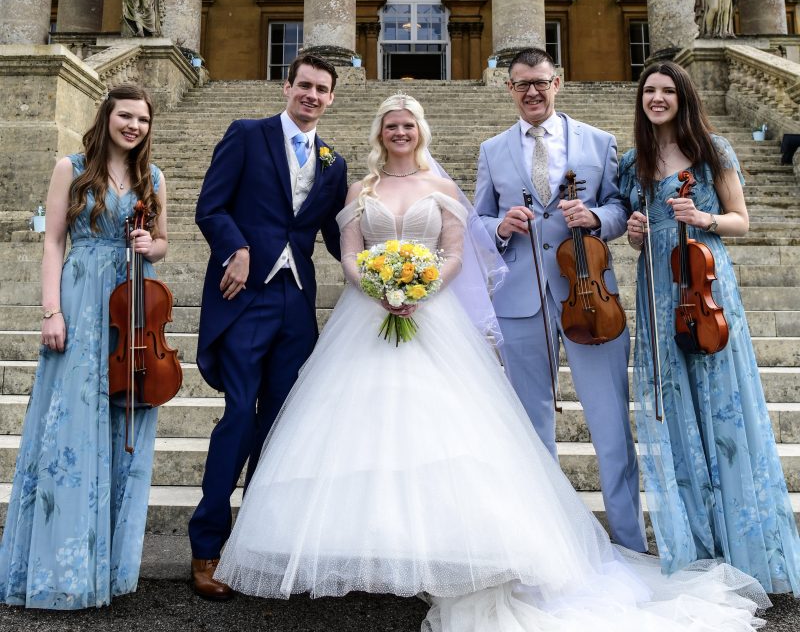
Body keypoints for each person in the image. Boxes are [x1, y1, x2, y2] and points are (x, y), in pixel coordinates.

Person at [214, 93, 768, 632]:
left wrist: (421, 288)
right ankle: (370, 550)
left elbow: (458, 251)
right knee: (360, 431)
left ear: (420, 131)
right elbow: (352, 252)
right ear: (380, 133)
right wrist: (380, 287)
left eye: (408, 125)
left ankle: (583, 541)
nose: (400, 133)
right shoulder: (360, 189)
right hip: (368, 315)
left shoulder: (443, 186)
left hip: (448, 308)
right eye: (391, 126)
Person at [620, 60, 800, 595]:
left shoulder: (712, 150)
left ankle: (746, 548)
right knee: (675, 410)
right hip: (658, 291)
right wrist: (634, 232)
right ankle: (696, 546)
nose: (657, 98)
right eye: (649, 90)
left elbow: (740, 219)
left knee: (724, 408)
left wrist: (704, 219)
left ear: (683, 97)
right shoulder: (633, 161)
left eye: (667, 91)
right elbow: (636, 234)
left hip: (706, 288)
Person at [0, 84, 168, 609]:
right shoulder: (70, 168)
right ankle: (61, 567)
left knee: (124, 424)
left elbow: (163, 244)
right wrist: (51, 311)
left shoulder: (153, 177)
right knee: (69, 426)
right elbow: (54, 241)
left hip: (132, 309)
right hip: (80, 298)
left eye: (142, 119)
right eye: (125, 116)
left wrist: (151, 244)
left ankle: (109, 567)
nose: (134, 126)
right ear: (107, 117)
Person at [188, 53, 348, 599]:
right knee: (239, 416)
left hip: (296, 304)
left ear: (331, 97)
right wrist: (235, 248)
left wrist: (381, 263)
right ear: (287, 86)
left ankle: (254, 545)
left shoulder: (334, 163)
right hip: (245, 297)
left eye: (321, 89)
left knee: (279, 427)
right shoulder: (246, 134)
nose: (311, 95)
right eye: (304, 85)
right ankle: (207, 546)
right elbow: (210, 207)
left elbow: (335, 236)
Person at [473, 47, 645, 552]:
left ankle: (630, 542)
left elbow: (619, 207)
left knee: (610, 423)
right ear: (509, 89)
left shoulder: (599, 141)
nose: (532, 92)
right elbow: (476, 221)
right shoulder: (492, 150)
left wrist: (596, 218)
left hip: (590, 295)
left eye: (540, 82)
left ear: (558, 83)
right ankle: (547, 547)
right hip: (520, 299)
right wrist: (500, 226)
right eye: (522, 84)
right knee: (532, 425)